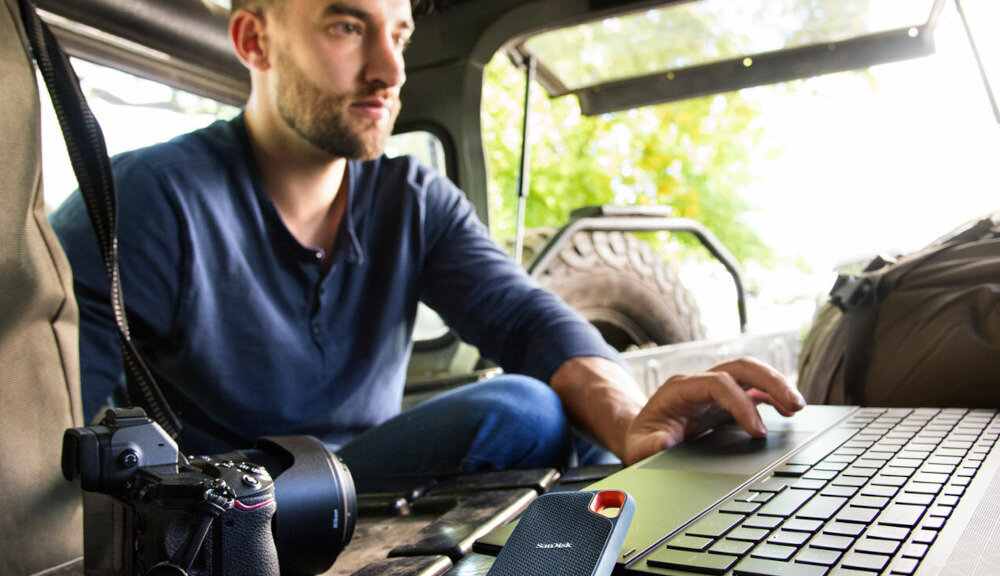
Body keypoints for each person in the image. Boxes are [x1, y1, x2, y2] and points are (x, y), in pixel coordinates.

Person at [49, 0, 805, 480]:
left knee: (574, 423)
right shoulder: (144, 203)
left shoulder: (411, 199)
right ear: (255, 38)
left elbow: (527, 319)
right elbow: (50, 436)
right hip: (231, 515)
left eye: (399, 32)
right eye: (348, 26)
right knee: (524, 411)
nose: (389, 70)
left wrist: (629, 417)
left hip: (374, 489)